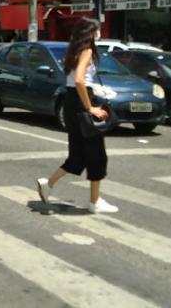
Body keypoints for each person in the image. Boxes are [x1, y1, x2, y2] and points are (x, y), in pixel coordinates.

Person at [36, 18, 118, 214]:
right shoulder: (87, 51)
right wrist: (90, 108)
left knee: (78, 156)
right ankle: (94, 202)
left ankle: (48, 184)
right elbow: (81, 80)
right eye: (96, 31)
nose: (99, 34)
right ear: (90, 33)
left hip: (71, 102)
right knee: (97, 155)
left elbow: (74, 80)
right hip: (81, 102)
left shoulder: (72, 51)